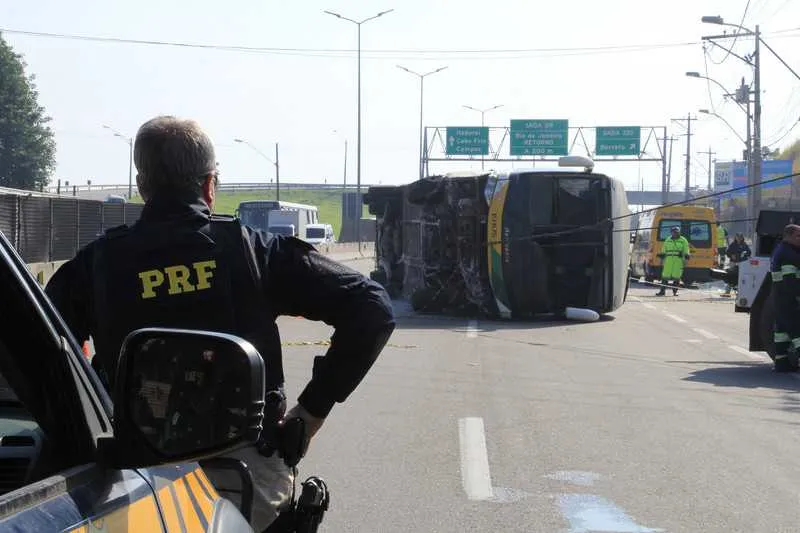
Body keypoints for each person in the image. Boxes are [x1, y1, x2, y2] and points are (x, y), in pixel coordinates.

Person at [44, 115, 396, 531]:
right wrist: (310, 413)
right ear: (211, 185)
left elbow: (44, 355)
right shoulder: (254, 252)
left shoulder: (96, 266)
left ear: (143, 186)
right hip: (245, 483)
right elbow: (372, 307)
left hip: (132, 483)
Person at [769, 224, 800, 372]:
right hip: (788, 299)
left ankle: (781, 362)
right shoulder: (789, 254)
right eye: (798, 236)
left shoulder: (781, 250)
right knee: (796, 330)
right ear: (788, 236)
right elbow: (791, 282)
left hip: (780, 298)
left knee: (782, 331)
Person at [656, 226, 690, 296]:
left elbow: (686, 251)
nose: (675, 233)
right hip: (668, 261)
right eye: (674, 232)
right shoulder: (667, 240)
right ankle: (662, 291)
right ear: (671, 232)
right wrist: (661, 260)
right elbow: (663, 250)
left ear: (679, 232)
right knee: (665, 276)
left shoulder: (683, 240)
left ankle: (675, 292)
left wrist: (686, 261)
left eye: (677, 232)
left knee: (677, 277)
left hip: (678, 261)